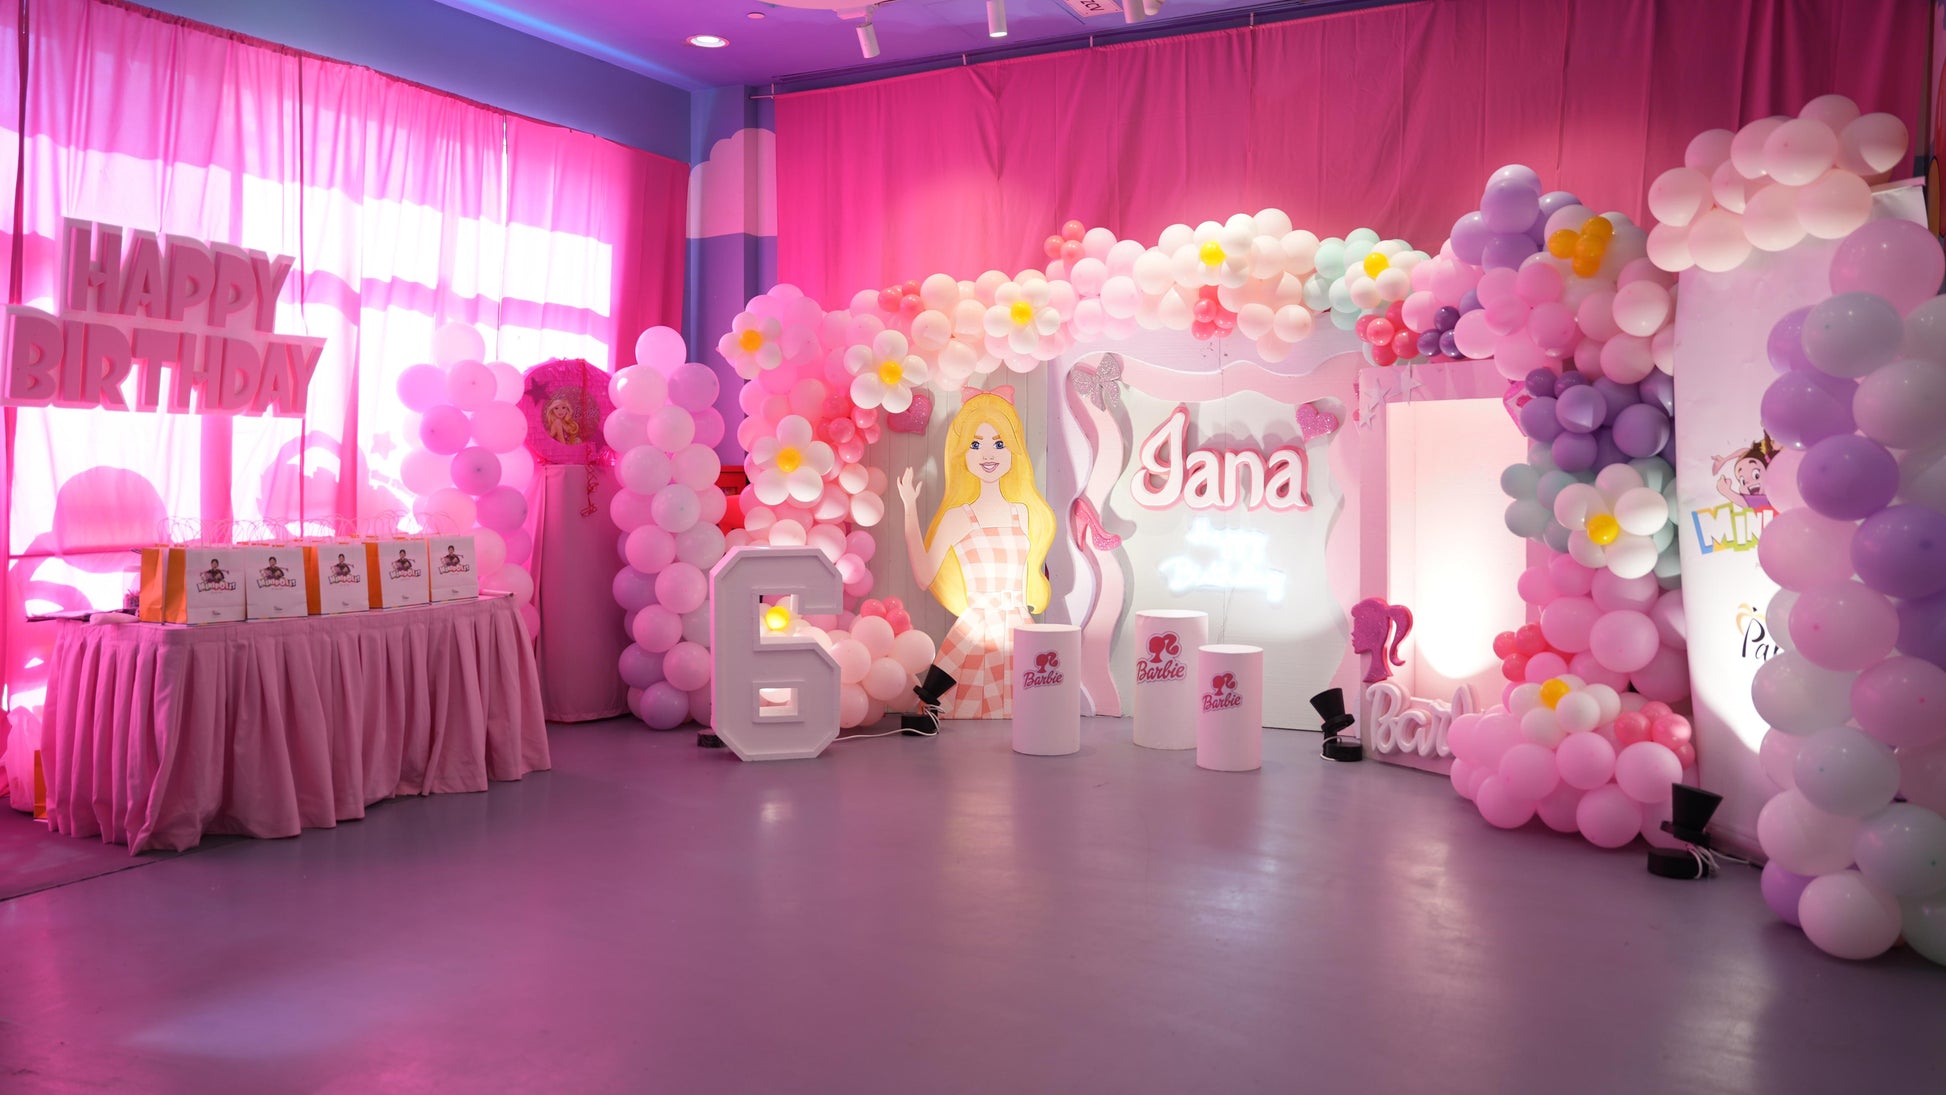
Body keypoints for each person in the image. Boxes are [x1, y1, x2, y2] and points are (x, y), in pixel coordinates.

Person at [897, 390, 1054, 719]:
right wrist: (909, 509)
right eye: (975, 444)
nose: (988, 454)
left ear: (1013, 450)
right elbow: (924, 576)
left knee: (1027, 713)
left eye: (998, 443)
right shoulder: (958, 517)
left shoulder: (1024, 513)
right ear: (962, 455)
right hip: (975, 629)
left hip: (1018, 631)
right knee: (959, 713)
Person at [1713, 436, 1777, 511]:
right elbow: (1747, 451)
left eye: (1756, 475)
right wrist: (1724, 460)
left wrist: (1726, 491)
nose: (1748, 482)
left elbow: (1747, 502)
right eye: (1742, 481)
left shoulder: (1773, 496)